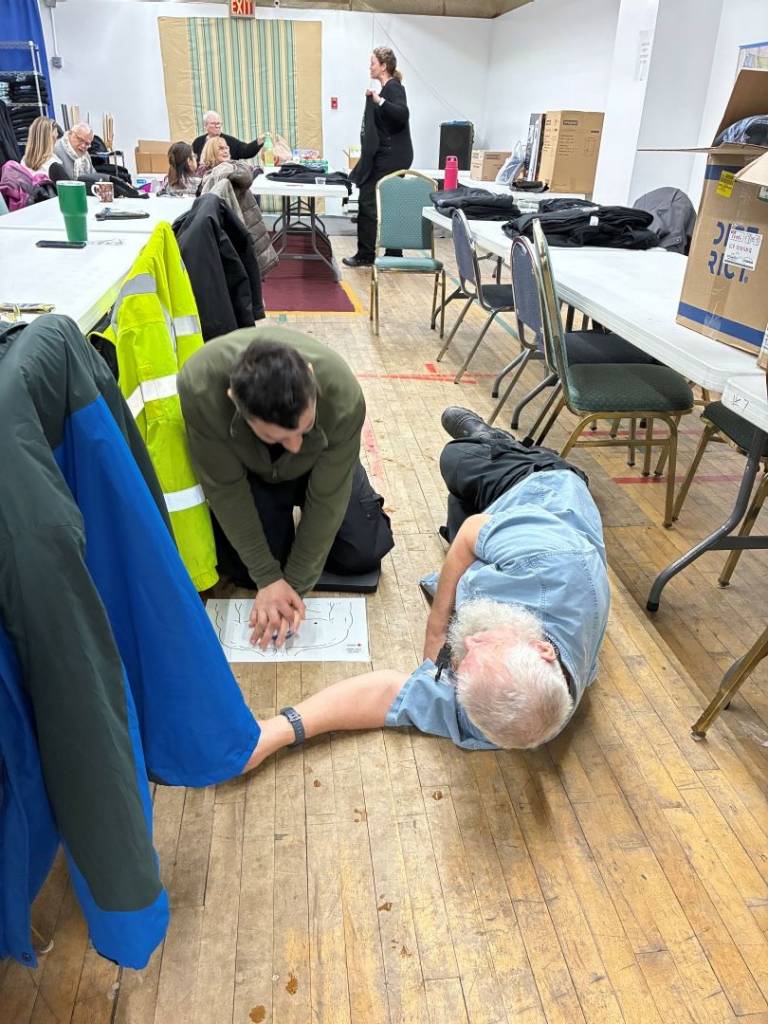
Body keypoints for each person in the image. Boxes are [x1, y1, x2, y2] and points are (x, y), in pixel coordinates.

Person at [238, 407, 610, 771]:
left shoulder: (495, 710)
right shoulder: (553, 559)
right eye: (491, 644)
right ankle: (491, 439)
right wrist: (436, 627)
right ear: (542, 649)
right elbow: (471, 535)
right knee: (455, 460)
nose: (469, 644)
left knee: (458, 506)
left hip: (500, 550)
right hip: (541, 487)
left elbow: (386, 694)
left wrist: (275, 732)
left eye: (466, 664)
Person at [178, 326, 394, 645]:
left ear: (310, 376)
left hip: (324, 462)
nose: (294, 446)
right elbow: (226, 490)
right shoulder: (200, 388)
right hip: (252, 468)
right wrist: (268, 578)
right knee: (244, 572)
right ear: (235, 401)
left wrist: (291, 588)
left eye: (304, 428)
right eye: (277, 436)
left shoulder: (341, 393)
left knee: (361, 552)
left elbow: (326, 501)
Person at [343, 46, 413, 269]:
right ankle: (394, 253)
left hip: (392, 156)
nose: (370, 66)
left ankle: (366, 255)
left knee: (367, 199)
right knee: (389, 202)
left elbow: (402, 114)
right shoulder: (387, 89)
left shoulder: (393, 88)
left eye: (372, 62)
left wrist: (378, 101)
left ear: (384, 66)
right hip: (393, 154)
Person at [197, 142, 278, 278]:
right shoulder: (206, 175)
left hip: (245, 224)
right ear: (211, 152)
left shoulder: (234, 168)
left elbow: (246, 177)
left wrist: (225, 169)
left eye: (227, 147)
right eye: (220, 148)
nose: (225, 150)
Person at [192, 110, 263, 163]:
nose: (217, 126)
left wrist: (259, 141)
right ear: (205, 125)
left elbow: (246, 151)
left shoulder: (230, 141)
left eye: (219, 123)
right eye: (213, 124)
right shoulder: (198, 142)